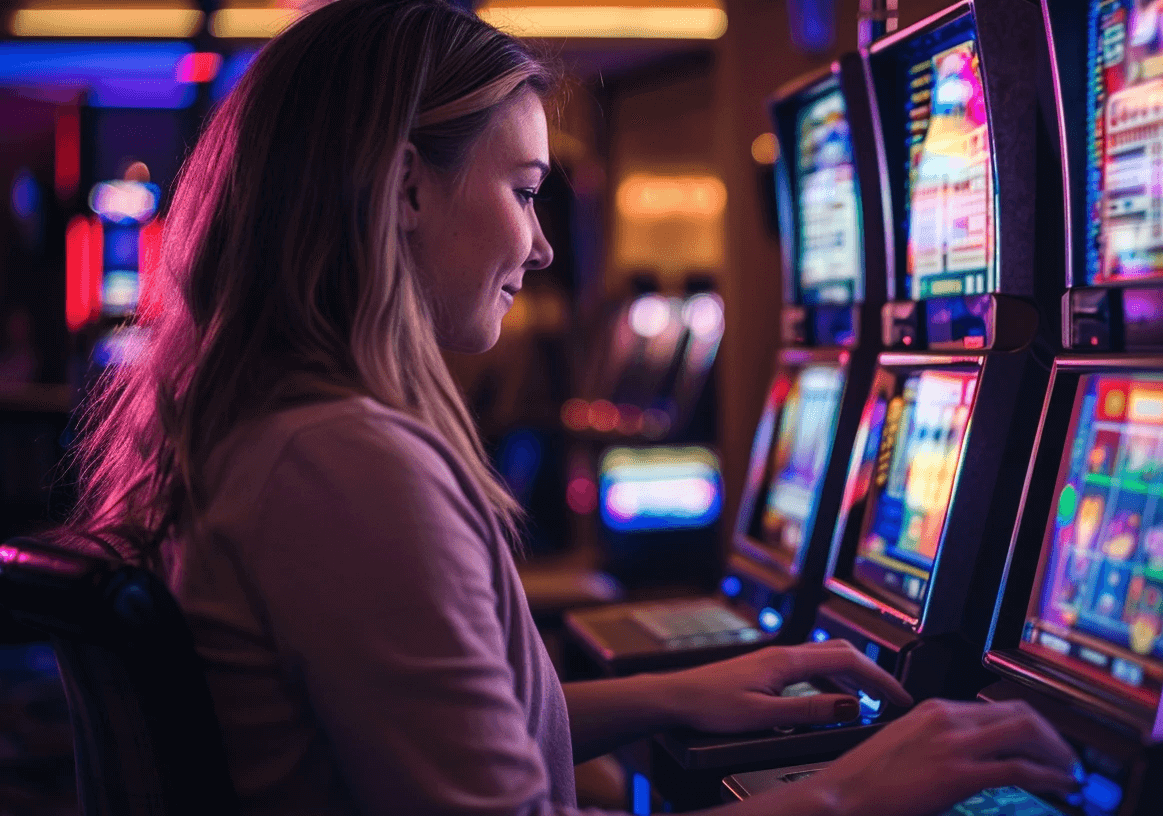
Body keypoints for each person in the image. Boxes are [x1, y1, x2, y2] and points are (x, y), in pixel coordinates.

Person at [63, 1, 1079, 814]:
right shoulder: (343, 462)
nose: (542, 247)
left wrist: (678, 692)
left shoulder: (279, 431)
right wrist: (858, 788)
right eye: (523, 189)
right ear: (406, 189)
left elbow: (430, 736)